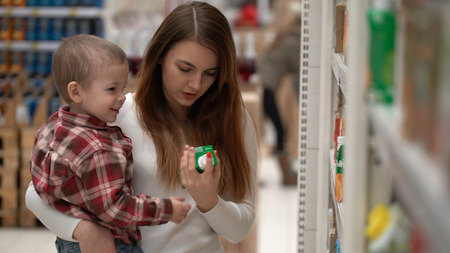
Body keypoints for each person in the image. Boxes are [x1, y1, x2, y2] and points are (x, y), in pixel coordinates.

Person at [26, 2, 259, 253]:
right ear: (159, 56)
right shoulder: (117, 112)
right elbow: (35, 193)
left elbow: (240, 228)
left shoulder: (234, 121)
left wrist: (209, 201)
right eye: (185, 68)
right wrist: (82, 229)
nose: (196, 83)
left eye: (211, 73)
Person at [29, 34, 192, 253]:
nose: (122, 97)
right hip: (109, 244)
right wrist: (167, 209)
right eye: (112, 89)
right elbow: (115, 208)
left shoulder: (53, 127)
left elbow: (39, 181)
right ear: (76, 92)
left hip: (68, 241)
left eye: (123, 88)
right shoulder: (98, 149)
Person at [255, 0, 301, 185]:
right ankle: (286, 176)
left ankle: (282, 175)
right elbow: (301, 68)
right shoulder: (293, 43)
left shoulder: (285, 37)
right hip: (266, 87)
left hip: (263, 85)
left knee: (262, 131)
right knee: (280, 129)